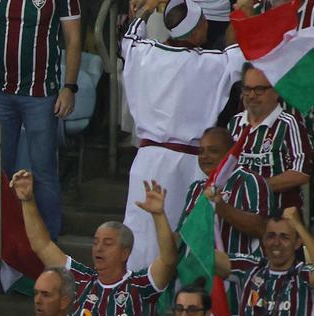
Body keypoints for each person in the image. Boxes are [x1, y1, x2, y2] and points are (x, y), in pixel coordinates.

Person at [16, 170, 177, 316]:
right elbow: (42, 245)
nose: (98, 248)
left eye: (108, 243)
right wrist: (27, 200)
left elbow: (169, 260)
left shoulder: (140, 287)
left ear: (125, 252)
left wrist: (159, 216)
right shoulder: (81, 281)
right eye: (95, 242)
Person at [118, 0, 244, 270]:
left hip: (148, 161)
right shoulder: (209, 62)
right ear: (197, 31)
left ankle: (141, 297)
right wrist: (242, 13)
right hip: (189, 165)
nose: (208, 29)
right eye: (205, 25)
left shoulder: (143, 52)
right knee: (186, 237)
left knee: (144, 235)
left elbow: (128, 37)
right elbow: (240, 53)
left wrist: (148, 8)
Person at [0, 0, 81, 240]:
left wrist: (69, 87)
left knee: (43, 169)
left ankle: (47, 241)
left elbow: (73, 39)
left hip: (41, 92)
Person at [180, 127, 271, 261]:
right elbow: (181, 236)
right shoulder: (196, 188)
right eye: (201, 151)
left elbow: (262, 228)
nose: (205, 156)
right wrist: (159, 216)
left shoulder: (249, 180)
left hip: (242, 273)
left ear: (230, 153)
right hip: (203, 273)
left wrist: (221, 207)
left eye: (213, 151)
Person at [228, 64, 312, 210]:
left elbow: (301, 173)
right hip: (238, 218)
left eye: (259, 89)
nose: (252, 95)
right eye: (247, 89)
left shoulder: (289, 123)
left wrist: (255, 187)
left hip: (277, 220)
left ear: (276, 91)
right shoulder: (235, 123)